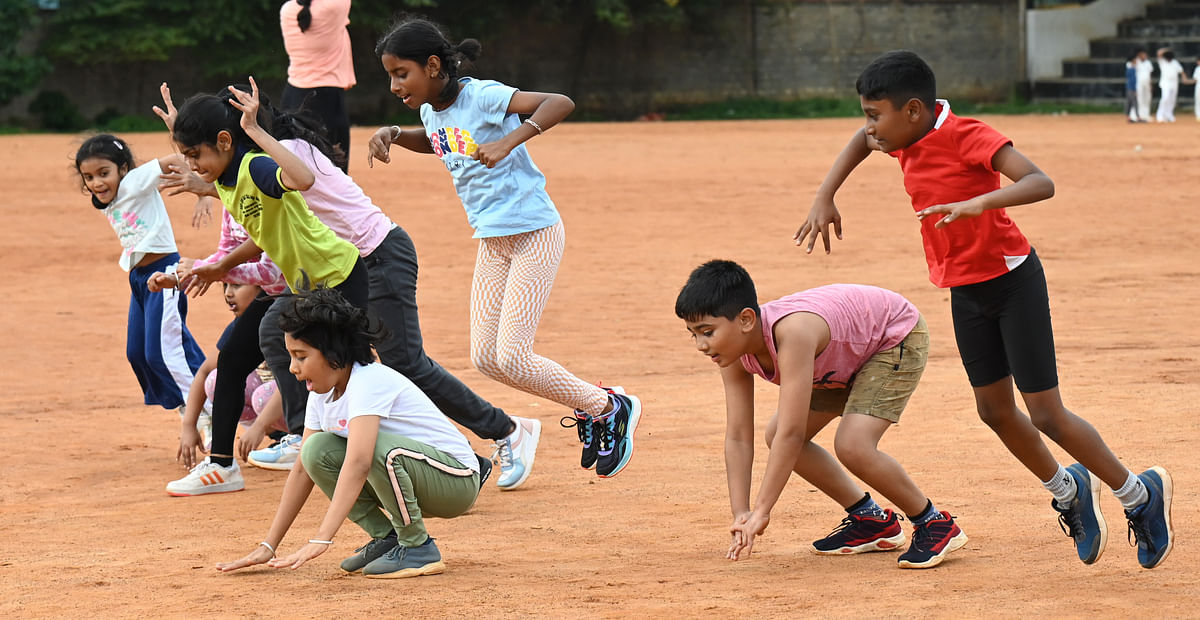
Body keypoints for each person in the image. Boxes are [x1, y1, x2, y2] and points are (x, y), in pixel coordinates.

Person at [796, 50, 1173, 570]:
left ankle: (1139, 495)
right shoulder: (900, 135)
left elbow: (1041, 182)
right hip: (965, 288)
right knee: (993, 411)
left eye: (874, 115)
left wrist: (979, 204)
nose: (869, 128)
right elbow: (861, 142)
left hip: (1013, 282)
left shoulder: (967, 135)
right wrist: (825, 195)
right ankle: (1068, 490)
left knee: (1046, 414)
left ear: (912, 110)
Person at [157, 83, 535, 488]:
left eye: (198, 151)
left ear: (232, 132)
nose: (194, 162)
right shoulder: (246, 167)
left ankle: (506, 430)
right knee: (277, 332)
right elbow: (263, 219)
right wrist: (204, 179)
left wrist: (217, 260)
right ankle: (302, 435)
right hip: (328, 274)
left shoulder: (277, 156)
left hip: (376, 256)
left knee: (401, 364)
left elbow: (278, 187)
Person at [366, 17, 641, 479]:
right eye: (390, 76)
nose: (395, 85)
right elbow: (439, 143)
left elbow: (560, 102)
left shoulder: (483, 95)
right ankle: (600, 407)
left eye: (401, 73)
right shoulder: (431, 112)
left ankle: (609, 407)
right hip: (493, 241)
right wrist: (396, 134)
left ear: (433, 66)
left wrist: (511, 139)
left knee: (512, 354)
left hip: (534, 231)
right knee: (486, 358)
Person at [675, 260, 966, 569]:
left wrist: (762, 510)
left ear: (746, 319)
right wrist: (741, 512)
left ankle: (934, 523)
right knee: (775, 436)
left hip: (891, 337)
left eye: (707, 332)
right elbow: (738, 436)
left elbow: (793, 432)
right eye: (693, 334)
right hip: (839, 357)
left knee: (853, 445)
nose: (700, 345)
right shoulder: (732, 353)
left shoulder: (792, 334)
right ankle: (871, 520)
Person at [165, 78, 369, 488]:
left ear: (225, 140)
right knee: (235, 354)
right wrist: (219, 266)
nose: (191, 166)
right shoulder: (225, 182)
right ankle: (222, 464)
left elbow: (304, 180)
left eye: (194, 155)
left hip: (338, 277)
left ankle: (383, 446)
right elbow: (262, 238)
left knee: (354, 368)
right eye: (185, 156)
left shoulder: (253, 166)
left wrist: (256, 132)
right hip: (304, 286)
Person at [214, 287, 480, 578]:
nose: (292, 368)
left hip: (457, 481)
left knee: (373, 449)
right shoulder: (320, 393)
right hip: (412, 476)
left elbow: (359, 463)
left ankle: (418, 547)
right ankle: (386, 538)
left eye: (301, 356)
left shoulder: (368, 381)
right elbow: (303, 469)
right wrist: (269, 544)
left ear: (333, 355)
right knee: (315, 450)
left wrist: (321, 539)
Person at [75, 134, 205, 414]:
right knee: (138, 353)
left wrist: (204, 191)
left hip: (164, 273)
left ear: (123, 168)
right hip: (139, 279)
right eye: (88, 177)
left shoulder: (135, 180)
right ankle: (202, 396)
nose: (96, 183)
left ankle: (202, 412)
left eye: (103, 173)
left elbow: (178, 159)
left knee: (162, 352)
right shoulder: (106, 198)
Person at [280, 0, 355, 171]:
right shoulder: (334, 6)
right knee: (335, 175)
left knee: (295, 173)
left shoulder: (287, 9)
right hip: (325, 100)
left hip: (292, 97)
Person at [1155, 48, 1189, 123]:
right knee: (1165, 98)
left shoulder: (1175, 62)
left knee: (1172, 100)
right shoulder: (1162, 62)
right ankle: (1160, 115)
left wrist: (1184, 78)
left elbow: (1181, 70)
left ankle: (1169, 115)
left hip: (1174, 83)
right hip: (1165, 83)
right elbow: (1159, 53)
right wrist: (1167, 50)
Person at [1135, 48, 1154, 122]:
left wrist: (1150, 84)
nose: (1145, 56)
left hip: (1147, 83)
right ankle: (1138, 115)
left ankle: (1146, 115)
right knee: (1139, 99)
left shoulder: (1148, 63)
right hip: (1139, 83)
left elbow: (1150, 74)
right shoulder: (1136, 62)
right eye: (1143, 54)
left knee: (1147, 99)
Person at [1124, 53, 1139, 123]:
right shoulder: (1132, 69)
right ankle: (1138, 117)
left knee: (1129, 103)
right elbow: (1133, 80)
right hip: (1131, 88)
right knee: (1134, 102)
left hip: (1129, 87)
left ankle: (1128, 117)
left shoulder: (1129, 68)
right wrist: (1135, 89)